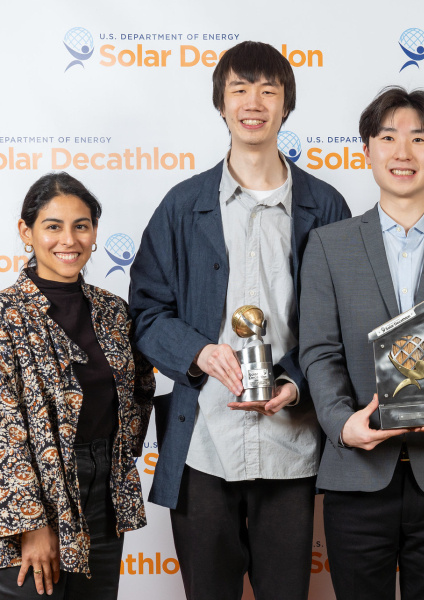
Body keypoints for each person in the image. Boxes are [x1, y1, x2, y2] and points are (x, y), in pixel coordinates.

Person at [128, 41, 350, 600]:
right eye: (240, 89)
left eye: (268, 90)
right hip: (203, 442)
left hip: (292, 445)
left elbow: (342, 323)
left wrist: (295, 381)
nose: (254, 103)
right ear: (221, 103)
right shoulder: (182, 206)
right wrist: (198, 352)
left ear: (286, 105)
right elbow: (146, 313)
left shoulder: (325, 207)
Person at [299, 87, 424, 600]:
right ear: (367, 149)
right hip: (357, 474)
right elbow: (319, 351)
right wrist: (341, 423)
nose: (403, 152)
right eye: (388, 137)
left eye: (419, 138)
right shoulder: (328, 245)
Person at [0, 173, 155, 599]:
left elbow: (139, 389)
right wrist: (31, 524)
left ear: (94, 232)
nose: (69, 240)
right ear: (26, 232)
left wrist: (118, 457)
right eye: (53, 226)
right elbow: (3, 429)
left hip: (105, 493)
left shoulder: (113, 311)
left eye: (81, 226)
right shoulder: (6, 315)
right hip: (31, 494)